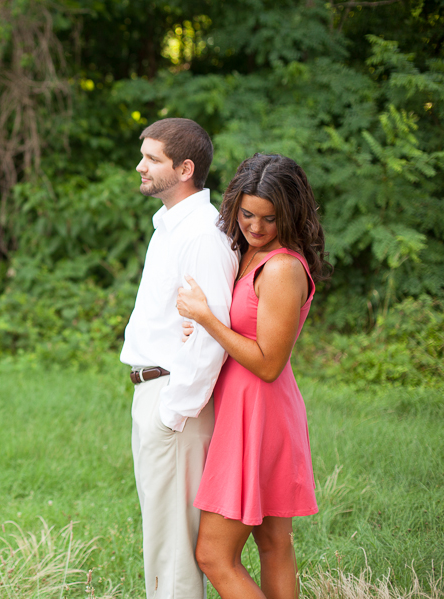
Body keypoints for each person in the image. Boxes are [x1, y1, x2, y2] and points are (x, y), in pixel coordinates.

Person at [175, 153, 331, 599]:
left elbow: (268, 363)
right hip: (246, 409)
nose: (256, 227)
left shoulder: (281, 267)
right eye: (247, 214)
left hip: (259, 413)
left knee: (213, 556)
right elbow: (240, 325)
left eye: (269, 218)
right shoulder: (248, 253)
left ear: (291, 214)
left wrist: (207, 320)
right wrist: (203, 324)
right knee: (272, 542)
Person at [120, 118, 238, 599]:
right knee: (161, 545)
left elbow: (212, 334)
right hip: (154, 395)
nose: (140, 166)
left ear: (185, 168)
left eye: (152, 159)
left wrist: (172, 412)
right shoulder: (168, 227)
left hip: (174, 404)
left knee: (173, 557)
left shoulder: (201, 235)